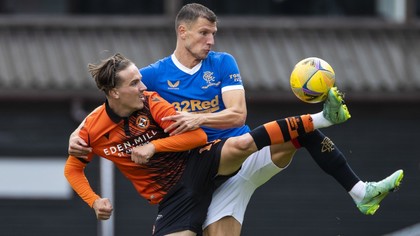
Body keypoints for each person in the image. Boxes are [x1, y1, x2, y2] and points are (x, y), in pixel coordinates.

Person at [68, 3, 403, 236]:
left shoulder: (223, 62)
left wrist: (195, 119)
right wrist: (77, 135)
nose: (210, 41)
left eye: (213, 34)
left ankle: (361, 190)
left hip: (238, 155)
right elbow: (117, 91)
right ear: (182, 32)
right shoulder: (152, 77)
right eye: (203, 34)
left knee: (292, 134)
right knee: (299, 133)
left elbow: (237, 115)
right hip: (202, 176)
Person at [64, 53, 350, 236]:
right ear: (114, 93)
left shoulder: (152, 103)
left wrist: (155, 147)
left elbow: (198, 137)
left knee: (241, 145)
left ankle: (322, 119)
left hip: (196, 166)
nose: (143, 87)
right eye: (134, 83)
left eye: (141, 80)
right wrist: (95, 200)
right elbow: (72, 170)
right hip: (173, 198)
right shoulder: (92, 129)